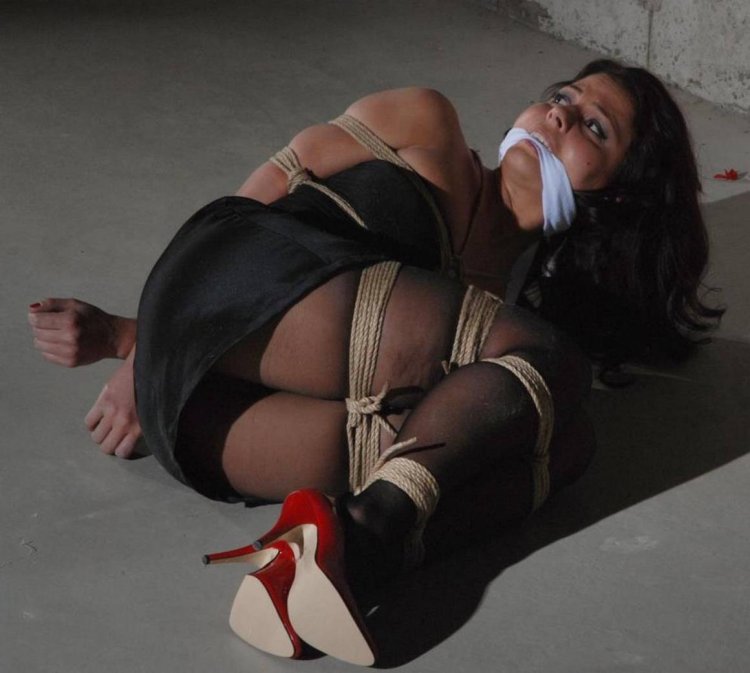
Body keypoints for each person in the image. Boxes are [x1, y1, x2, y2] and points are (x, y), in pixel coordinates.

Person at [27, 60, 721, 664]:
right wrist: (141, 344)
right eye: (562, 97)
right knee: (549, 360)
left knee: (569, 445)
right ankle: (366, 543)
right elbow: (244, 205)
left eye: (595, 128)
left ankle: (320, 555)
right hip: (225, 289)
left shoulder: (500, 305)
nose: (560, 115)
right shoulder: (428, 124)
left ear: (619, 194)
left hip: (202, 427)